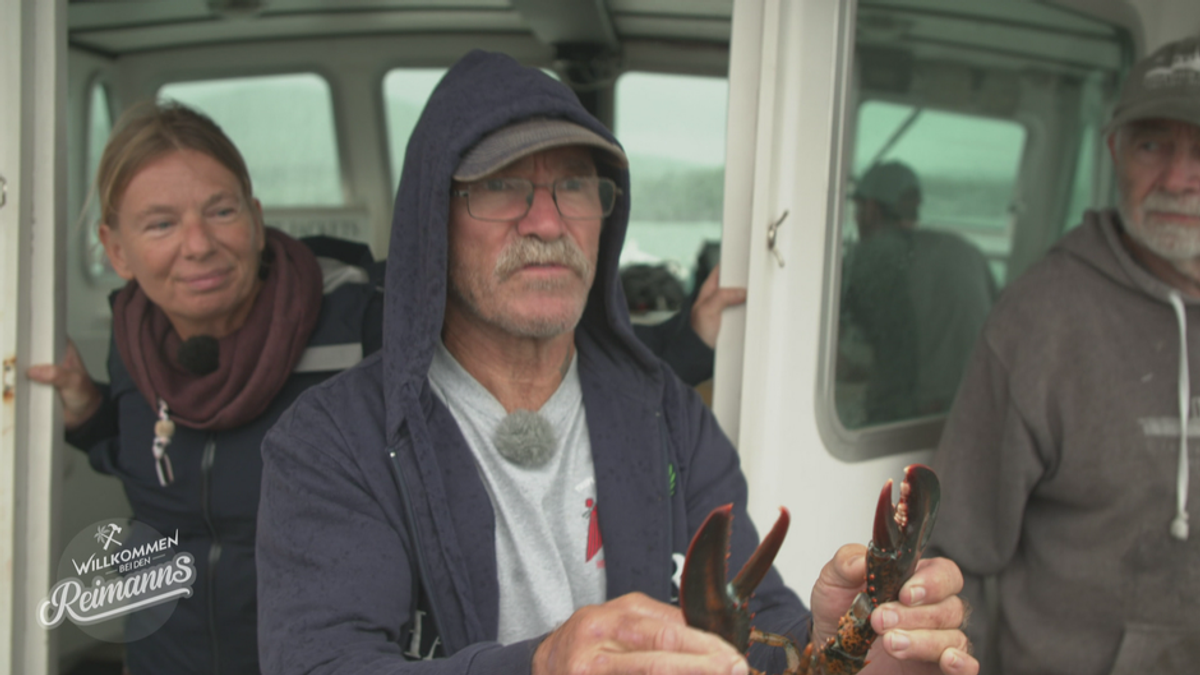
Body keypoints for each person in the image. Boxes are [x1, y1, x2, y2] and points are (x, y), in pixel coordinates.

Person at [256, 50, 975, 675]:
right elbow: (319, 662)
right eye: (501, 184)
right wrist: (535, 663)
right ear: (430, 221)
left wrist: (839, 644)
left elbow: (754, 634)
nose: (546, 221)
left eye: (574, 185)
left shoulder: (669, 412)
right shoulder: (329, 442)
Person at [27, 102, 382, 674]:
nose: (198, 245)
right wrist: (87, 409)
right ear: (117, 249)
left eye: (220, 211)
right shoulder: (134, 339)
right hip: (165, 654)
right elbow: (150, 455)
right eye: (161, 224)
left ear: (255, 217)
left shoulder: (358, 322)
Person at [927, 35, 1200, 675]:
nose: (1180, 178)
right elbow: (952, 557)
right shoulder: (1042, 319)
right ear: (1114, 151)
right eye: (1153, 143)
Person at [840, 161, 996, 424]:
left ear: (871, 210)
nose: (856, 219)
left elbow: (836, 353)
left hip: (906, 417)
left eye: (857, 209)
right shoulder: (965, 250)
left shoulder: (867, 257)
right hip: (974, 411)